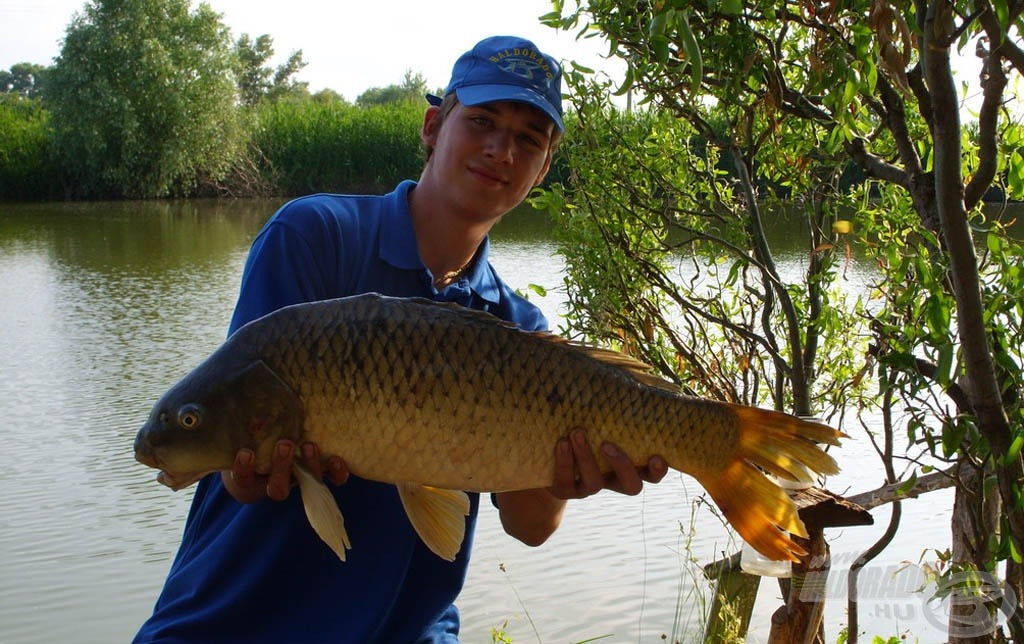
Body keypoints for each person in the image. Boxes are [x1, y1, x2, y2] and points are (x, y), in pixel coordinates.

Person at [134, 35, 668, 643]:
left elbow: (531, 526)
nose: (501, 150)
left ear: (543, 169)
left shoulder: (521, 332)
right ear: (434, 126)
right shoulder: (315, 236)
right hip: (234, 622)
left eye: (528, 139)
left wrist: (566, 475)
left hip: (407, 630)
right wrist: (240, 469)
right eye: (483, 122)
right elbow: (244, 412)